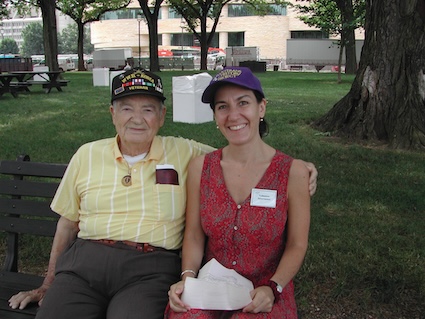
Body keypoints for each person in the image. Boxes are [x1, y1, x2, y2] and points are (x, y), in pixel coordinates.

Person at [8, 68, 317, 319]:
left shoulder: (185, 152)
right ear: (112, 113)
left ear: (162, 115)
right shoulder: (87, 154)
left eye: (148, 109)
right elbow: (66, 223)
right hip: (83, 266)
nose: (137, 118)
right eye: (127, 108)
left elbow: (243, 155)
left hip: (148, 269)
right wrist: (48, 282)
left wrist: (299, 168)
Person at [166, 66, 311, 318]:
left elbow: (297, 244)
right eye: (222, 107)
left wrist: (273, 287)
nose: (233, 115)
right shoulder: (202, 167)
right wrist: (188, 278)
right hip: (210, 288)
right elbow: (194, 234)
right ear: (215, 116)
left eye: (243, 103)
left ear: (261, 107)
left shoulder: (292, 172)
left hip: (265, 288)